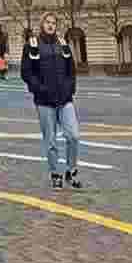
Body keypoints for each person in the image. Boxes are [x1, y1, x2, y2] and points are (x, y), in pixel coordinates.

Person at [21, 14, 82, 190]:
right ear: (42, 24)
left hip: (65, 99)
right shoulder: (32, 45)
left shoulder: (63, 44)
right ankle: (55, 174)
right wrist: (39, 89)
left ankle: (71, 171)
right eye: (47, 22)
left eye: (53, 23)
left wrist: (70, 88)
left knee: (73, 136)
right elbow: (26, 73)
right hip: (44, 101)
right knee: (51, 140)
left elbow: (71, 70)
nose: (50, 25)